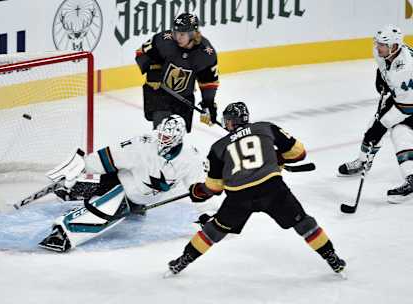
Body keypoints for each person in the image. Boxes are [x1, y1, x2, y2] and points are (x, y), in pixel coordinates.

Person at [165, 102, 346, 276]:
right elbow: (299, 152)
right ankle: (332, 257)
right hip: (272, 189)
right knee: (303, 223)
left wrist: (199, 191)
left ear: (229, 122)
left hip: (239, 196)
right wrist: (279, 157)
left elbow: (215, 186)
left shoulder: (218, 147)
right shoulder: (265, 128)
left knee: (213, 230)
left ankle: (183, 260)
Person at [39, 115, 205, 252]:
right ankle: (72, 203)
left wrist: (207, 213)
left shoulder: (191, 158)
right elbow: (110, 156)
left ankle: (69, 218)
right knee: (106, 195)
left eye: (167, 137)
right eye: (161, 134)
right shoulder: (143, 144)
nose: (162, 139)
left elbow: (199, 187)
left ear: (178, 137)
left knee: (107, 202)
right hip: (123, 182)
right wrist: (82, 167)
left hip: (137, 195)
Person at [337, 25, 413, 202]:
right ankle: (364, 161)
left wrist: (381, 127)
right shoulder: (385, 53)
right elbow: (384, 69)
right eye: (377, 43)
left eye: (382, 45)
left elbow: (406, 108)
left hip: (408, 102)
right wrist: (381, 78)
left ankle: (411, 178)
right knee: (376, 126)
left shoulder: (405, 69)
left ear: (394, 46)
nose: (377, 47)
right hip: (404, 97)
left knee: (399, 132)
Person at [135, 13, 219, 133]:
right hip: (160, 93)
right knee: (163, 132)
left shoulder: (205, 53)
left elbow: (209, 82)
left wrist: (208, 104)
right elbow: (141, 53)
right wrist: (154, 71)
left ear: (193, 34)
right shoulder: (165, 40)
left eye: (182, 34)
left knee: (178, 136)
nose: (177, 37)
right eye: (175, 32)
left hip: (183, 98)